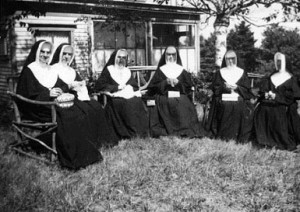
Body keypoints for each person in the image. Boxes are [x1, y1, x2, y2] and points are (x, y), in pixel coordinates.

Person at [16, 40, 102, 170]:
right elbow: (26, 95)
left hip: (52, 105)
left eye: (48, 52)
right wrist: (48, 94)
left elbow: (61, 85)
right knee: (68, 115)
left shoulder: (50, 69)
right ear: (37, 52)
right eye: (42, 52)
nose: (45, 55)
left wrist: (67, 87)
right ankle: (71, 158)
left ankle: (84, 153)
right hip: (37, 107)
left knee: (80, 110)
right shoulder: (30, 70)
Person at [50, 43, 119, 148]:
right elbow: (55, 87)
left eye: (69, 54)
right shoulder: (53, 69)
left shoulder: (72, 71)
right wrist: (69, 86)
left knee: (96, 107)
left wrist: (81, 85)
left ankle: (100, 142)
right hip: (64, 101)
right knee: (86, 111)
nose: (66, 57)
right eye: (64, 53)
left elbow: (79, 84)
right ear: (59, 54)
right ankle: (87, 143)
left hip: (77, 97)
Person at [147, 46, 204, 138]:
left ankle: (183, 130)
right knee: (169, 103)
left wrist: (179, 83)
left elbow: (188, 88)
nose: (171, 57)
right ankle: (173, 130)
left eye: (173, 54)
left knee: (184, 103)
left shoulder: (182, 71)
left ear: (176, 56)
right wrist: (165, 82)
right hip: (164, 96)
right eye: (168, 54)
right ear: (165, 56)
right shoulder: (160, 71)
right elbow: (153, 87)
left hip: (180, 96)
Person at [94, 49, 149, 139]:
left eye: (124, 58)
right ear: (114, 58)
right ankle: (124, 132)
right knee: (122, 103)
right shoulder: (109, 70)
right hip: (114, 98)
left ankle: (138, 132)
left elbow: (134, 85)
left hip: (127, 95)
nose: (121, 60)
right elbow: (99, 85)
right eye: (119, 57)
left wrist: (129, 87)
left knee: (136, 102)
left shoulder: (127, 71)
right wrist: (116, 87)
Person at [206, 50, 254, 143]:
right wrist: (224, 87)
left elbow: (247, 91)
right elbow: (216, 89)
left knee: (238, 105)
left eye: (232, 59)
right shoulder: (219, 73)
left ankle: (236, 134)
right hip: (223, 98)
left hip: (238, 98)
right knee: (224, 105)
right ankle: (224, 135)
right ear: (225, 60)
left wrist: (237, 87)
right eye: (228, 59)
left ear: (236, 59)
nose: (231, 61)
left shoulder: (242, 72)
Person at [254, 52, 299, 150]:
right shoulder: (271, 77)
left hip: (284, 105)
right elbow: (262, 91)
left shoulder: (290, 78)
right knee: (262, 108)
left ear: (285, 62)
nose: (278, 63)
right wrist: (265, 94)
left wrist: (277, 97)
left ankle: (280, 141)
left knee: (278, 111)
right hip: (269, 103)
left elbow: (292, 96)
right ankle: (264, 139)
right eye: (277, 61)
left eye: (280, 61)